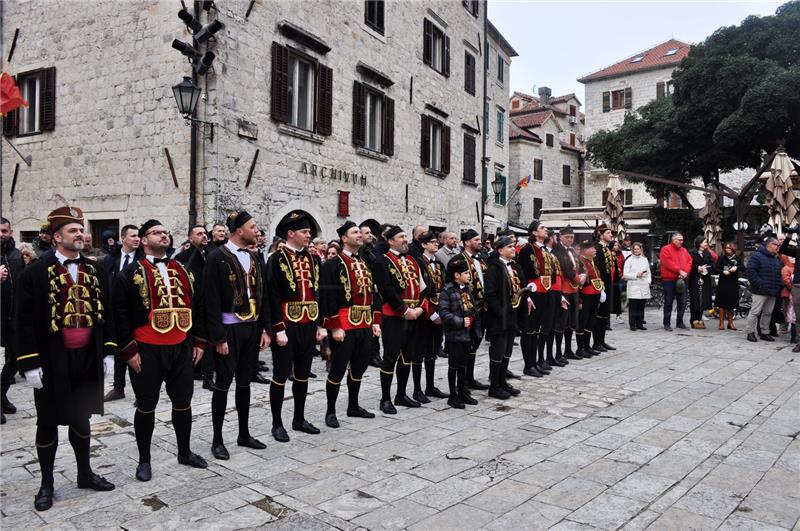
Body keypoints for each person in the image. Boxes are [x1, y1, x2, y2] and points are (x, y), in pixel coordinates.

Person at [14, 206, 116, 511]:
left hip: (86, 358)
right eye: (73, 230)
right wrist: (29, 362)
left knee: (81, 418)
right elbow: (23, 319)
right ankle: (46, 483)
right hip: (52, 360)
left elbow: (106, 312)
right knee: (47, 422)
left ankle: (85, 473)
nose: (81, 235)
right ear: (57, 237)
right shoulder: (35, 272)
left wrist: (109, 351)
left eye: (81, 229)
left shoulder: (95, 269)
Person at [112, 220, 208, 481]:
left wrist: (199, 341)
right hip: (147, 349)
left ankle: (184, 452)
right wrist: (128, 350)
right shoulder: (130, 272)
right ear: (143, 240)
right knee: (146, 406)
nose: (164, 235)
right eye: (157, 232)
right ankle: (144, 460)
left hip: (181, 348)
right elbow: (119, 315)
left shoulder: (184, 270)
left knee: (183, 403)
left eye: (166, 232)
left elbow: (197, 307)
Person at [204, 211, 271, 458]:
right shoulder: (216, 257)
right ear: (239, 230)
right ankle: (217, 439)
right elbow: (209, 300)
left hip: (252, 328)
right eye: (252, 226)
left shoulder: (254, 258)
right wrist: (218, 337)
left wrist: (266, 328)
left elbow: (262, 295)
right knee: (223, 384)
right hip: (228, 329)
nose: (257, 230)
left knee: (245, 382)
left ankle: (244, 433)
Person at [266, 212, 325, 441]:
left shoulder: (313, 259)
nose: (308, 235)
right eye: (304, 232)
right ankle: (277, 423)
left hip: (308, 323)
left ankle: (299, 419)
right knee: (280, 375)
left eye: (309, 232)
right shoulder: (276, 259)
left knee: (302, 375)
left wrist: (320, 325)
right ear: (291, 234)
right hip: (287, 325)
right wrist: (277, 328)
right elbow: (271, 296)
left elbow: (318, 293)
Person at [319, 221, 379, 428]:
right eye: (355, 232)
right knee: (337, 369)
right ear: (344, 238)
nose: (359, 235)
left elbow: (373, 294)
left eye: (359, 232)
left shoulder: (364, 262)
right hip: (344, 324)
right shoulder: (332, 265)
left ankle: (353, 405)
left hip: (364, 322)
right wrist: (334, 326)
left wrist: (375, 321)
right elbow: (327, 297)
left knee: (359, 367)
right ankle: (330, 411)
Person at [373, 226, 427, 414]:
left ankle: (401, 394)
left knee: (408, 357)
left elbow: (423, 288)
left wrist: (420, 309)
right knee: (390, 357)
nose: (405, 239)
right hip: (394, 317)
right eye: (401, 237)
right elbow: (386, 289)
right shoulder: (383, 261)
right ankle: (385, 398)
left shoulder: (413, 260)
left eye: (405, 236)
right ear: (390, 241)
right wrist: (404, 310)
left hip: (414, 316)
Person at [102, 224, 144, 402]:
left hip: (136, 311)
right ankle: (118, 387)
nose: (137, 239)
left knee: (138, 350)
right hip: (115, 310)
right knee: (119, 348)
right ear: (123, 238)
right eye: (133, 236)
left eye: (138, 236)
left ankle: (142, 390)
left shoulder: (143, 259)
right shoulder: (112, 258)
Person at [483, 236, 524, 400]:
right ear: (500, 250)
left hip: (512, 314)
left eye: (514, 246)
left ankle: (502, 381)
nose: (513, 249)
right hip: (498, 316)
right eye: (509, 247)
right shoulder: (494, 267)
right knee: (498, 349)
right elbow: (490, 293)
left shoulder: (514, 266)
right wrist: (500, 312)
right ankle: (494, 385)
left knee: (507, 349)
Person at [411, 231, 449, 402]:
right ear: (423, 245)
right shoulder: (418, 263)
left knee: (433, 351)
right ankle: (417, 389)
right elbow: (419, 292)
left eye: (436, 242)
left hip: (438, 310)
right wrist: (430, 313)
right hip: (423, 313)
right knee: (419, 351)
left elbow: (444, 287)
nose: (436, 245)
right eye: (432, 242)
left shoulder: (439, 264)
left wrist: (442, 310)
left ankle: (430, 386)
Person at [438, 257, 480, 408]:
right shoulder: (447, 291)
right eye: (465, 273)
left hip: (467, 334)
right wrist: (460, 321)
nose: (469, 276)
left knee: (464, 364)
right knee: (454, 366)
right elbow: (443, 313)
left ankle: (462, 391)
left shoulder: (467, 289)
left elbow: (472, 306)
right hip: (454, 335)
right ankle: (453, 395)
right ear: (457, 275)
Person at [1, 217, 25, 425]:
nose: (2, 234)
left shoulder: (16, 254)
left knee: (15, 359)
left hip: (14, 316)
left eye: (5, 231)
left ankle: (1, 395)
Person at [458, 229, 489, 390]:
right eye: (476, 239)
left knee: (476, 342)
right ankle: (461, 380)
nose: (480, 242)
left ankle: (469, 377)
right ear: (467, 242)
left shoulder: (482, 259)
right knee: (465, 344)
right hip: (467, 307)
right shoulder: (459, 259)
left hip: (482, 307)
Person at [552, 226, 584, 360]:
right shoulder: (557, 251)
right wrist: (577, 278)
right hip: (564, 289)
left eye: (572, 237)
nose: (570, 240)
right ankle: (558, 352)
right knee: (562, 322)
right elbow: (565, 269)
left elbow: (580, 265)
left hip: (574, 289)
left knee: (571, 322)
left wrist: (583, 274)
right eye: (567, 237)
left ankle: (568, 350)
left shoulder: (573, 251)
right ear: (560, 237)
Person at [745, 237, 782, 342]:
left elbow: (778, 274)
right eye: (776, 245)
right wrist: (760, 284)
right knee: (755, 312)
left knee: (768, 313)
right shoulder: (756, 256)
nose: (778, 247)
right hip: (760, 290)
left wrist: (779, 285)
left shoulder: (775, 258)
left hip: (772, 291)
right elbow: (751, 272)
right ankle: (750, 332)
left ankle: (765, 332)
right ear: (769, 245)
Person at [659, 232, 692, 331]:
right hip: (669, 280)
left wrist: (685, 272)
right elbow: (667, 263)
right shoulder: (665, 249)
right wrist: (680, 271)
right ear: (674, 240)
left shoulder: (684, 250)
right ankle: (667, 323)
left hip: (682, 279)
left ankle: (680, 322)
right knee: (668, 302)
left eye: (682, 240)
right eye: (679, 240)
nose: (681, 242)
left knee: (682, 302)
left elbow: (689, 261)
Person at [593, 225, 618, 351]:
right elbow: (598, 269)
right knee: (599, 315)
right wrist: (601, 287)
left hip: (608, 285)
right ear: (601, 235)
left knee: (604, 314)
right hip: (600, 286)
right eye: (608, 233)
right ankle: (596, 342)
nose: (610, 235)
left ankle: (602, 341)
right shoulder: (597, 248)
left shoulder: (607, 249)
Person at [577, 240, 604, 358]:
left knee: (591, 321)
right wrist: (579, 300)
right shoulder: (580, 262)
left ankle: (587, 346)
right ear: (584, 250)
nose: (594, 250)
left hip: (595, 294)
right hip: (585, 295)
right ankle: (580, 347)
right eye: (592, 248)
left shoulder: (592, 262)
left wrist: (602, 291)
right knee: (583, 321)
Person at [779, 232, 800, 351]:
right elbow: (783, 249)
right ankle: (799, 340)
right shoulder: (798, 251)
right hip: (797, 285)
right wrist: (788, 236)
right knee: (798, 316)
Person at [623, 242, 651, 331]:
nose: (636, 250)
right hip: (633, 286)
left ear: (641, 249)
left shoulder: (645, 260)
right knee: (633, 307)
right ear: (632, 250)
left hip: (643, 285)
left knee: (641, 306)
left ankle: (639, 323)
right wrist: (636, 275)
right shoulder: (629, 260)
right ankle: (632, 324)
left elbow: (648, 272)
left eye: (638, 249)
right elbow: (625, 274)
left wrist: (649, 281)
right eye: (634, 249)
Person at [688, 236, 715, 330]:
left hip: (705, 278)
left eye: (706, 242)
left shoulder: (707, 253)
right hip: (695, 279)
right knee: (695, 299)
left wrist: (707, 269)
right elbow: (688, 265)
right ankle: (693, 320)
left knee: (702, 300)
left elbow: (712, 265)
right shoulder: (691, 252)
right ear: (699, 243)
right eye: (704, 242)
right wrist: (697, 268)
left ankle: (700, 319)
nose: (706, 244)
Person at [715, 242, 742, 331]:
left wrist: (737, 268)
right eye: (726, 248)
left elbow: (743, 267)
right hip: (723, 282)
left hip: (733, 283)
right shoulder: (721, 258)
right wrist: (723, 271)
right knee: (722, 303)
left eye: (729, 249)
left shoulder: (737, 258)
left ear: (733, 249)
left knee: (731, 303)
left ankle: (730, 323)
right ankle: (721, 323)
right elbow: (716, 268)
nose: (727, 250)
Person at [780, 254, 796, 341]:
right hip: (788, 294)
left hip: (794, 294)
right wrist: (793, 289)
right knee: (789, 313)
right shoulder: (786, 268)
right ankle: (791, 334)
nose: (793, 259)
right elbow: (786, 280)